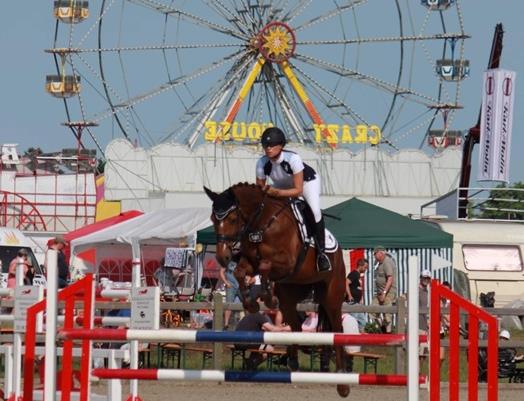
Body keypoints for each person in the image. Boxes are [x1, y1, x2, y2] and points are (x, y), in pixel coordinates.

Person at [255, 127, 331, 272]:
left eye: (272, 145)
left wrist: (276, 193)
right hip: (281, 185)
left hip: (306, 183)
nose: (268, 149)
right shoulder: (261, 163)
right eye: (265, 145)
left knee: (315, 211)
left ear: (281, 146)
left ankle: (322, 254)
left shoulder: (293, 159)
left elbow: (298, 191)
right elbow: (260, 191)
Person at [234, 300, 291, 369]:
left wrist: (281, 327)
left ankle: (250, 364)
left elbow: (266, 328)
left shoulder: (248, 316)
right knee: (270, 349)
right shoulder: (258, 316)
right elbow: (272, 329)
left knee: (261, 349)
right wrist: (287, 328)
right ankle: (251, 364)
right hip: (246, 342)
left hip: (237, 342)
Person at [372, 246, 397, 333]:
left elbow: (390, 279)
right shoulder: (379, 263)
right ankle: (383, 329)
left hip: (388, 293)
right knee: (372, 311)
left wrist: (384, 293)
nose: (374, 256)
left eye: (375, 254)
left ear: (380, 253)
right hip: (379, 293)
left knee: (387, 314)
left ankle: (388, 333)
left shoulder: (387, 262)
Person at [218, 254, 242, 330]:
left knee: (246, 304)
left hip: (241, 286)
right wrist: (226, 282)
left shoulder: (242, 260)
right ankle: (226, 324)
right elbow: (221, 272)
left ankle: (247, 322)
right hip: (231, 286)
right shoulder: (227, 261)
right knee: (229, 305)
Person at [345, 258, 369, 330]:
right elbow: (346, 283)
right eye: (365, 267)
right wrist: (349, 295)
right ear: (360, 265)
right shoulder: (354, 274)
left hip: (358, 303)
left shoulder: (358, 275)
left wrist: (360, 299)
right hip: (353, 303)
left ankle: (360, 335)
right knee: (353, 321)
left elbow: (358, 288)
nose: (366, 269)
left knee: (362, 322)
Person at [418, 269, 432, 365]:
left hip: (425, 327)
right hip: (417, 325)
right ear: (421, 278)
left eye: (428, 278)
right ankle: (416, 372)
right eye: (424, 278)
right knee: (417, 354)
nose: (426, 280)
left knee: (423, 354)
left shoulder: (428, 292)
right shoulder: (416, 290)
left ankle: (419, 372)